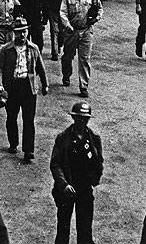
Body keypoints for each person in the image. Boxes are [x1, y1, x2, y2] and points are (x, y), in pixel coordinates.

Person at [0, 18, 49, 162]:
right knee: (12, 116)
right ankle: (13, 143)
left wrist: (45, 84)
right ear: (14, 33)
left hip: (28, 87)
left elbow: (40, 67)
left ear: (27, 31)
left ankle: (28, 150)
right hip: (12, 87)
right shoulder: (6, 49)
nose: (22, 35)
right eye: (19, 32)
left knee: (29, 119)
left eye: (24, 31)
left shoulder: (33, 48)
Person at [50, 101, 104, 244]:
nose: (82, 121)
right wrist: (64, 185)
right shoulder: (63, 138)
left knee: (85, 230)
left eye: (85, 118)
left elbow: (99, 162)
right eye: (79, 117)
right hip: (67, 189)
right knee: (63, 229)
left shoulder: (93, 138)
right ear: (73, 118)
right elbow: (55, 164)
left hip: (85, 189)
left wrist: (93, 181)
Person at [59, 0, 103, 98]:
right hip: (71, 32)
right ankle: (66, 75)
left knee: (84, 59)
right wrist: (68, 26)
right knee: (68, 56)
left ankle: (84, 86)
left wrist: (96, 18)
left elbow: (99, 8)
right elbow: (63, 13)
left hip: (86, 31)